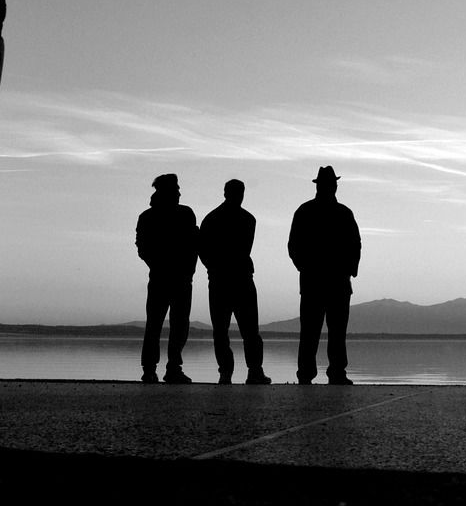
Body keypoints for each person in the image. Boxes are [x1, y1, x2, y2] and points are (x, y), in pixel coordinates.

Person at [288, 165, 361, 385]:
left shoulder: (318, 212)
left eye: (333, 184)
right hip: (322, 281)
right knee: (318, 331)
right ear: (323, 186)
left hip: (327, 281)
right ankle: (319, 373)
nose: (332, 187)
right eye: (330, 184)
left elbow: (355, 245)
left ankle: (328, 372)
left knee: (325, 331)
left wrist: (349, 270)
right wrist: (306, 268)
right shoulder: (316, 212)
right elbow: (294, 246)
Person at [199, 179, 272, 385]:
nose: (239, 196)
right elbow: (205, 251)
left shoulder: (215, 219)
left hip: (228, 280)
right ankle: (238, 371)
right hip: (233, 279)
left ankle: (242, 371)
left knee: (239, 330)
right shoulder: (245, 219)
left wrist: (214, 268)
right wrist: (215, 268)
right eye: (237, 192)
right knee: (232, 330)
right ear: (228, 193)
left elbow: (204, 251)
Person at [135, 173, 199, 384]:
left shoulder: (185, 214)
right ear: (167, 191)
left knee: (177, 325)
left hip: (177, 278)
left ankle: (171, 368)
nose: (180, 192)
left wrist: (189, 270)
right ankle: (152, 369)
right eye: (177, 189)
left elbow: (193, 244)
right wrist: (159, 265)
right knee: (156, 324)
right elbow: (143, 247)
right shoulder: (149, 217)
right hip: (163, 278)